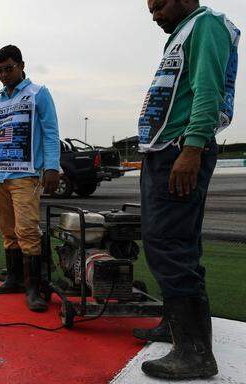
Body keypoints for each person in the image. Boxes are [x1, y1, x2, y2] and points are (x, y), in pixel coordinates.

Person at [133, 1, 239, 379]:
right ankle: (177, 328)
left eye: (159, 5)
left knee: (168, 243)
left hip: (180, 149)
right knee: (176, 242)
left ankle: (194, 352)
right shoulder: (183, 32)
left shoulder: (205, 25)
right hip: (165, 149)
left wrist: (192, 147)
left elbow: (207, 90)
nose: (154, 14)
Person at [0, 45, 60, 312]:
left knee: (27, 231)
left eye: (8, 69)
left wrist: (52, 167)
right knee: (8, 232)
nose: (3, 75)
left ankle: (33, 287)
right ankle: (13, 278)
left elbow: (50, 132)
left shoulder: (38, 94)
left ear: (22, 65)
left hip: (25, 175)